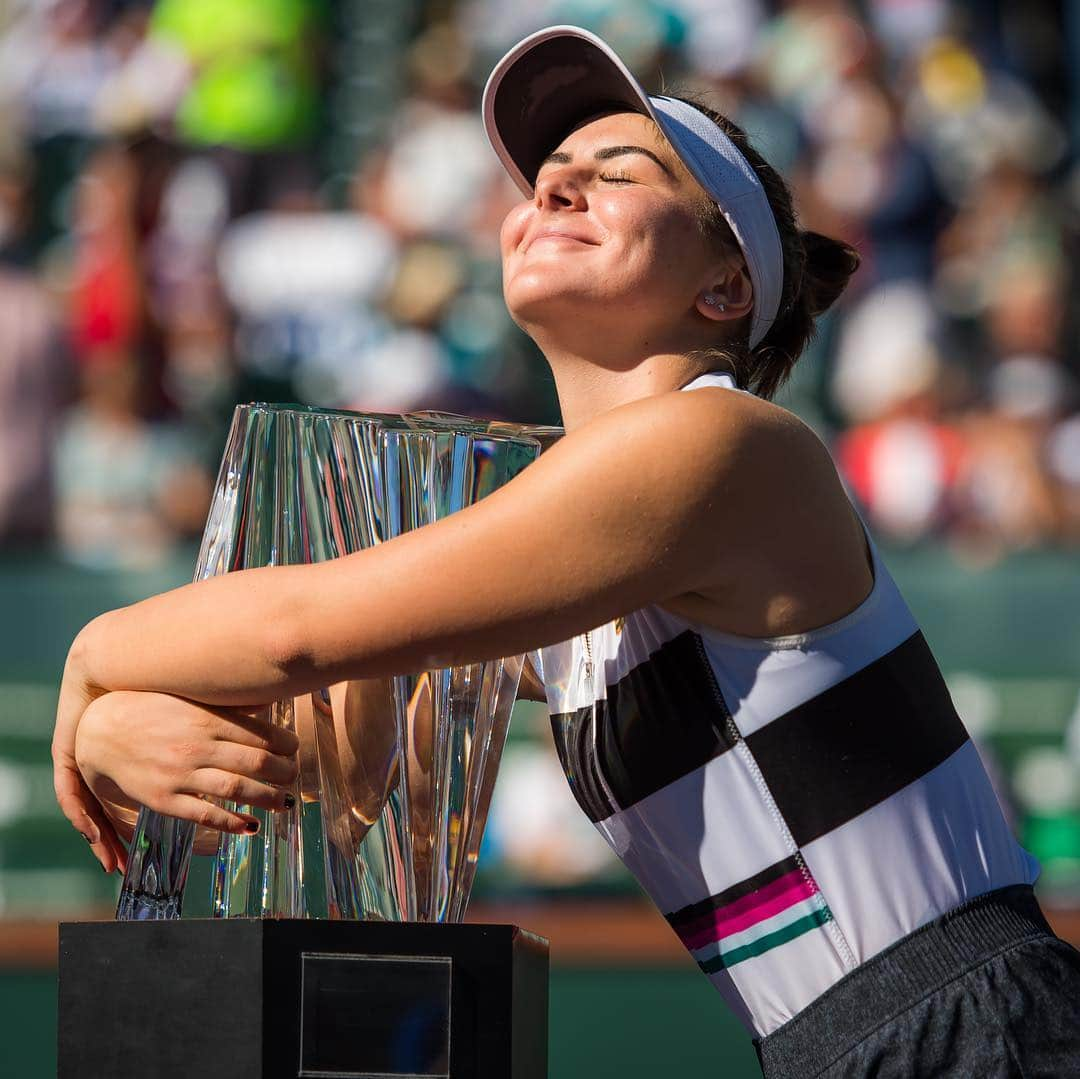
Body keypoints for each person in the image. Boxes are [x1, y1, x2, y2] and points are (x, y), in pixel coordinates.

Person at [53, 26, 1080, 1078]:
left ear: (724, 286)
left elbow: (294, 633)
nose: (556, 192)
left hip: (975, 1028)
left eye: (616, 173)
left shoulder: (723, 443)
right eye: (545, 181)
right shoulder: (578, 541)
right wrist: (117, 732)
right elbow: (330, 744)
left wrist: (93, 657)